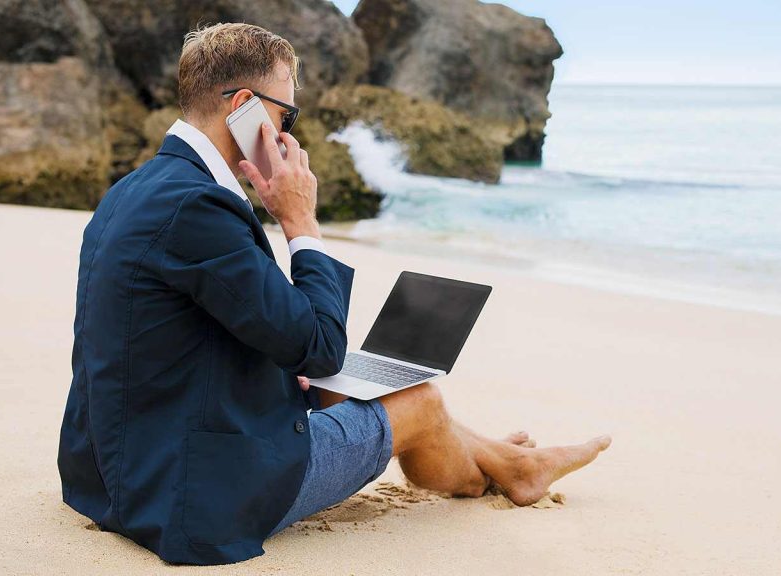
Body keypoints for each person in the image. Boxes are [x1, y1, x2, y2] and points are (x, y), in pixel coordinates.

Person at [57, 22, 611, 566]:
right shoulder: (197, 208)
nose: (286, 136)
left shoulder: (136, 190)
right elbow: (320, 343)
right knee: (419, 399)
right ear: (243, 106)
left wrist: (293, 371)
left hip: (112, 473)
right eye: (285, 115)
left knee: (338, 383)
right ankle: (509, 470)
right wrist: (300, 222)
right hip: (194, 495)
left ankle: (494, 455)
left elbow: (193, 333)